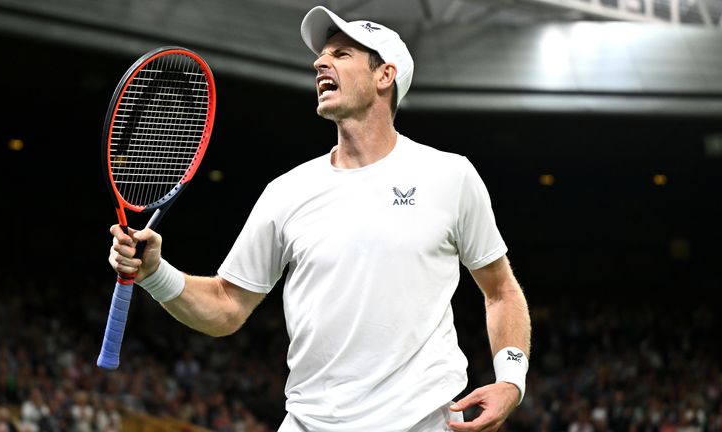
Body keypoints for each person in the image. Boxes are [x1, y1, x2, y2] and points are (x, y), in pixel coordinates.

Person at [109, 6, 531, 432]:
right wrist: (154, 272)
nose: (319, 62)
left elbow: (500, 291)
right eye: (322, 54)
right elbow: (226, 307)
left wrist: (511, 380)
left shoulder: (450, 176)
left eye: (342, 54)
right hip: (309, 422)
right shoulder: (287, 191)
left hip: (422, 422)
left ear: (385, 76)